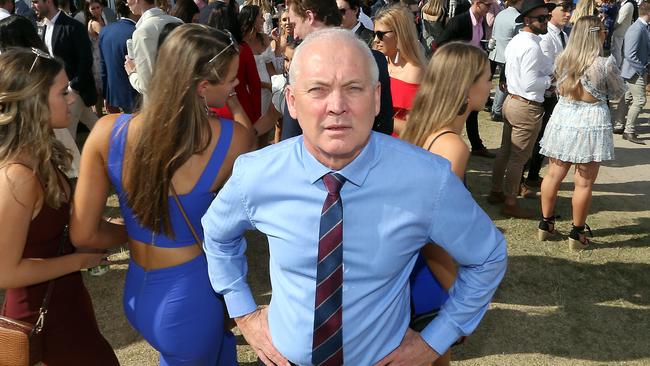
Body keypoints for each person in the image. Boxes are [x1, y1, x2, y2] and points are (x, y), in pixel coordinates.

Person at [202, 27, 507, 366]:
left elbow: (488, 256)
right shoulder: (257, 173)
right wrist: (243, 311)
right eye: (317, 89)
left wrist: (435, 341)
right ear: (291, 102)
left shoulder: (427, 179)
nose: (337, 107)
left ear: (377, 98)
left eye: (353, 88)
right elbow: (217, 235)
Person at [70, 24, 252, 365]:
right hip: (191, 297)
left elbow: (83, 233)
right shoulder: (231, 139)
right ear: (202, 87)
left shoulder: (107, 130)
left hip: (139, 291)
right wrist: (233, 103)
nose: (235, 84)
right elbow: (249, 146)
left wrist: (132, 229)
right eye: (230, 78)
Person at [0, 47, 119, 366]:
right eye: (63, 91)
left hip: (65, 304)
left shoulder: (40, 156)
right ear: (33, 101)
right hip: (39, 316)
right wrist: (78, 260)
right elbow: (5, 272)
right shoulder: (17, 176)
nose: (71, 98)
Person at [402, 42, 493, 366]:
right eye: (486, 78)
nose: (490, 85)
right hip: (426, 279)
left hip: (404, 273)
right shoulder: (452, 147)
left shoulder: (422, 129)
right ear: (466, 88)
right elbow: (432, 237)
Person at [538, 16, 625, 250]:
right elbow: (618, 92)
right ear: (595, 34)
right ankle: (576, 233)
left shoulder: (563, 60)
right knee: (584, 182)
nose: (606, 34)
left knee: (553, 174)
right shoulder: (604, 64)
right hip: (590, 119)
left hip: (564, 116)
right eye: (604, 30)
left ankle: (545, 224)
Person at [280, 0, 394, 139]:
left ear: (309, 17)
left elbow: (291, 134)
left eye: (294, 25)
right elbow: (385, 127)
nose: (295, 34)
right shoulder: (376, 59)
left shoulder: (301, 65)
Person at [488, 0, 554, 219]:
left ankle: (497, 191)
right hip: (525, 104)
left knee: (506, 151)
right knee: (518, 158)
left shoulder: (520, 40)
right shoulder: (531, 45)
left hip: (513, 101)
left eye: (547, 16)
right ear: (527, 20)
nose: (546, 21)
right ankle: (509, 201)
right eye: (541, 18)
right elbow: (529, 83)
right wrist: (549, 81)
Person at [32, 0, 98, 164]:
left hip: (74, 91)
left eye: (35, 1)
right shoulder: (44, 27)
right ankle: (118, 145)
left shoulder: (73, 26)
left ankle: (71, 172)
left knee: (66, 135)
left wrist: (73, 87)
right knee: (93, 124)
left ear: (48, 2)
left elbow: (86, 59)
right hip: (61, 92)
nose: (33, 5)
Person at [437, 0, 497, 158]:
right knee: (453, 112)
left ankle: (476, 145)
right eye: (488, 5)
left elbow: (475, 44)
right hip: (455, 75)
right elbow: (441, 44)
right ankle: (445, 145)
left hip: (472, 75)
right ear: (477, 3)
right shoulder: (460, 21)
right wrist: (460, 60)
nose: (490, 9)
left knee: (472, 111)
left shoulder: (480, 22)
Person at [522, 0, 572, 190]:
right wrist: (561, 75)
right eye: (564, 10)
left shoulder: (563, 35)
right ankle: (521, 179)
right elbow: (547, 67)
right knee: (532, 139)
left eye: (570, 10)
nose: (568, 14)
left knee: (544, 137)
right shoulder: (545, 36)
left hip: (552, 93)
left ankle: (533, 175)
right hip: (541, 93)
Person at [373, 4, 425, 137]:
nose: (375, 40)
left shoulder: (415, 72)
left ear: (399, 34)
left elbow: (414, 129)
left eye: (380, 34)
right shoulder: (378, 63)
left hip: (396, 146)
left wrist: (377, 117)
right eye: (375, 34)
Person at [123, 0, 181, 97]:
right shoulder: (178, 21)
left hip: (161, 103)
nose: (126, 3)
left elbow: (147, 85)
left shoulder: (142, 32)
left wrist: (132, 73)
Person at [612, 1, 650, 145]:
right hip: (635, 71)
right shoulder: (637, 29)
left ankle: (619, 125)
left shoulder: (643, 27)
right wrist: (642, 69)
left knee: (627, 98)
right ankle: (629, 131)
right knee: (640, 101)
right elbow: (629, 54)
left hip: (634, 70)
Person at [99, 0, 139, 113]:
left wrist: (106, 95)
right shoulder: (136, 31)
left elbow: (103, 67)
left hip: (114, 93)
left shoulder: (105, 31)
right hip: (135, 93)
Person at [488, 0, 523, 122]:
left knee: (494, 81)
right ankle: (496, 111)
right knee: (503, 83)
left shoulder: (501, 14)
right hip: (506, 54)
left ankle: (494, 108)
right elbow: (519, 38)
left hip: (495, 50)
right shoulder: (517, 18)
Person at [240, 4, 277, 117]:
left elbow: (270, 68)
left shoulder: (264, 38)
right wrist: (266, 85)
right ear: (252, 19)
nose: (264, 19)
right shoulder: (240, 42)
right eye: (260, 17)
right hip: (251, 91)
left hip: (269, 91)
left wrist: (276, 85)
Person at [85, 0, 106, 117]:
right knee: (99, 92)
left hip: (101, 56)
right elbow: (105, 35)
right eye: (93, 8)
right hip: (97, 60)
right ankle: (98, 118)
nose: (96, 10)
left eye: (97, 7)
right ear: (88, 10)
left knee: (101, 92)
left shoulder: (102, 19)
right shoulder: (93, 23)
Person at [611, 0, 638, 66]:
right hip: (623, 31)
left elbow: (620, 20)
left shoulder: (628, 5)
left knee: (616, 51)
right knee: (621, 51)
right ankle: (621, 67)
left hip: (619, 31)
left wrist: (612, 27)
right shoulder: (627, 4)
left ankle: (617, 67)